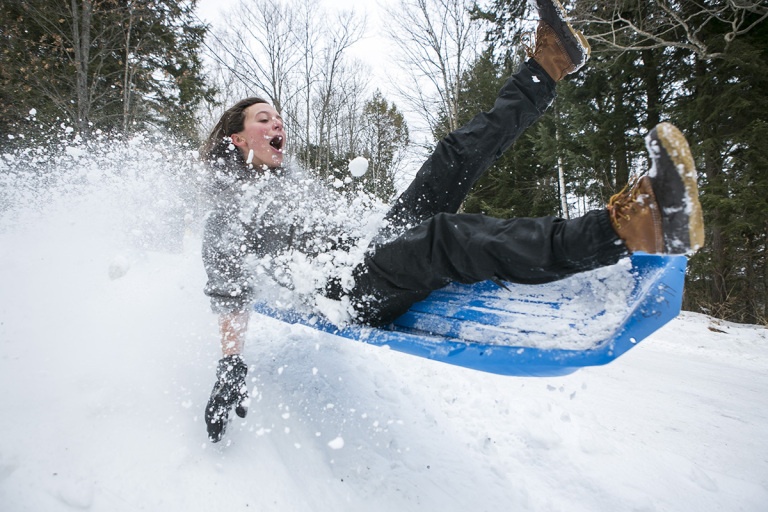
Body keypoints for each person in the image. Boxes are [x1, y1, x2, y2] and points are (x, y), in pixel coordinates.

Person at [200, 0, 705, 443]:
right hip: (345, 290)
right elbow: (228, 289)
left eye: (277, 116)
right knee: (444, 237)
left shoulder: (293, 182)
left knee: (451, 158)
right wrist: (230, 364)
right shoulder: (230, 208)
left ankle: (549, 64)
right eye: (262, 119)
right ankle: (627, 228)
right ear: (238, 140)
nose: (277, 123)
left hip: (367, 248)